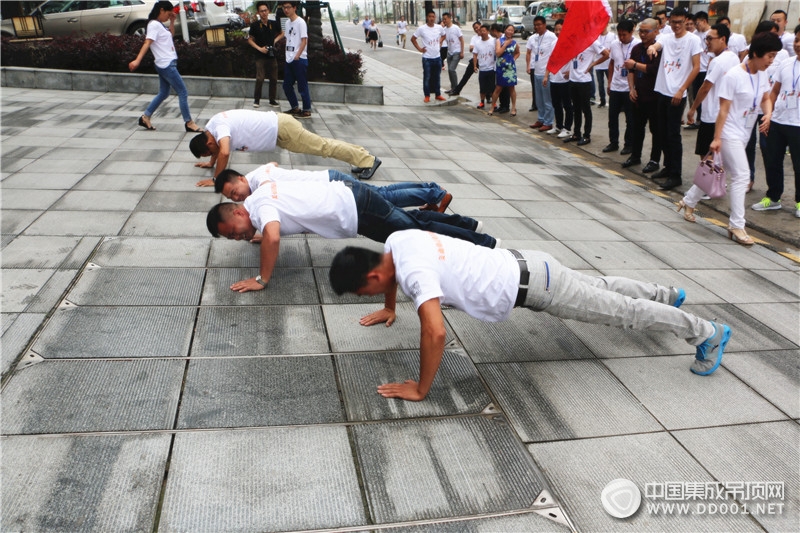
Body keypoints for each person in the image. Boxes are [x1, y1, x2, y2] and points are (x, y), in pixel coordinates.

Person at [329, 230, 732, 401]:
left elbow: (434, 334)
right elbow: (397, 274)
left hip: (538, 287)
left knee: (620, 312)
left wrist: (420, 388)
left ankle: (706, 332)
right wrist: (387, 306)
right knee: (601, 290)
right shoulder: (396, 244)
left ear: (373, 274)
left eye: (364, 289)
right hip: (530, 263)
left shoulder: (414, 275)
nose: (366, 294)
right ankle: (667, 294)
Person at [206, 183, 497, 292]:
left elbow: (272, 237)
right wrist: (262, 235)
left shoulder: (261, 209)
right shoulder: (258, 201)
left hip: (357, 208)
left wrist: (261, 279)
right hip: (353, 204)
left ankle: (485, 246)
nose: (238, 238)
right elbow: (279, 223)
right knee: (416, 222)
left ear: (238, 214)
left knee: (418, 233)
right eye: (232, 239)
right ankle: (471, 226)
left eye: (234, 233)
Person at [677, 32, 781, 246]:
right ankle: (736, 224)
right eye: (769, 56)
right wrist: (716, 138)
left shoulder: (762, 74)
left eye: (774, 56)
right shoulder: (733, 75)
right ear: (756, 53)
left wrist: (768, 114)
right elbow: (723, 110)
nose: (771, 61)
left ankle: (687, 201)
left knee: (716, 170)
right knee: (742, 176)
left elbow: (765, 99)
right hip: (728, 132)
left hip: (744, 132)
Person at [189, 109, 381, 185]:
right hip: (280, 127)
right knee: (323, 144)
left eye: (209, 152)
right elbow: (218, 149)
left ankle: (368, 160)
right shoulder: (211, 128)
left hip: (283, 130)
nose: (213, 154)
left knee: (324, 147)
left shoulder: (219, 128)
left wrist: (216, 179)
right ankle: (363, 156)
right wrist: (211, 162)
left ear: (209, 143)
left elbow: (223, 151)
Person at [215, 163, 453, 213]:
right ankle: (431, 191)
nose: (238, 198)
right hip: (330, 180)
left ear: (241, 178)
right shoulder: (257, 174)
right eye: (232, 198)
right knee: (383, 192)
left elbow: (268, 192)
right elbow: (274, 164)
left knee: (382, 196)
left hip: (333, 184)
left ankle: (436, 194)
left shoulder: (260, 183)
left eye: (235, 191)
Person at [678, 24, 738, 221]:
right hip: (720, 116)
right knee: (712, 163)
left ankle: (691, 199)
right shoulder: (732, 59)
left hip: (714, 116)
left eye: (711, 38)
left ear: (723, 39)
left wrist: (693, 108)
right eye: (707, 38)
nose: (708, 42)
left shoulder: (719, 61)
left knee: (711, 163)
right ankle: (691, 200)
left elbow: (705, 87)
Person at [647, 7, 702, 190]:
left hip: (677, 94)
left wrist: (682, 89)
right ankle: (667, 167)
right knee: (661, 132)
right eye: (673, 22)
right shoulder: (666, 36)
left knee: (673, 135)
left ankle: (675, 175)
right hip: (662, 90)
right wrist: (652, 48)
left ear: (686, 21)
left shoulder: (693, 40)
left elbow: (696, 67)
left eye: (680, 22)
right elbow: (657, 45)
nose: (676, 25)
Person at [128, 1, 201, 133]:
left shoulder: (159, 25)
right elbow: (147, 43)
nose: (169, 16)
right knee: (183, 92)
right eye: (168, 13)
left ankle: (146, 117)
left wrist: (172, 22)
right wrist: (137, 60)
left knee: (164, 93)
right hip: (166, 64)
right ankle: (189, 122)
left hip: (165, 63)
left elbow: (170, 36)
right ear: (161, 10)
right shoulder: (154, 25)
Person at [752, 25, 800, 218]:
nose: (798, 44)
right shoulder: (786, 63)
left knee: (799, 165)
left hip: (798, 124)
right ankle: (773, 198)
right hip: (779, 120)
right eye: (796, 39)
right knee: (772, 160)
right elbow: (774, 91)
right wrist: (768, 114)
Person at [622, 18, 661, 171]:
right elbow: (630, 71)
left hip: (654, 96)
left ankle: (654, 160)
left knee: (656, 130)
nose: (643, 34)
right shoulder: (637, 49)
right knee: (637, 127)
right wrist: (631, 88)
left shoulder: (659, 49)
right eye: (641, 31)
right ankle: (635, 155)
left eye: (647, 31)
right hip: (638, 95)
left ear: (656, 32)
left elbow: (654, 70)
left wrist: (636, 65)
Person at [604, 19, 639, 155]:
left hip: (629, 88)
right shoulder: (614, 44)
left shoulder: (637, 45)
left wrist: (634, 88)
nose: (622, 37)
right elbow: (612, 63)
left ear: (632, 32)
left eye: (624, 34)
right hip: (616, 86)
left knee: (630, 119)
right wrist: (609, 82)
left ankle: (629, 144)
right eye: (619, 34)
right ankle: (613, 142)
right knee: (612, 117)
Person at [565, 37, 609, 145]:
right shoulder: (572, 40)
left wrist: (593, 64)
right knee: (576, 108)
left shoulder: (591, 41)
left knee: (586, 109)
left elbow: (606, 54)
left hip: (584, 80)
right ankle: (576, 133)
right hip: (573, 79)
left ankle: (587, 135)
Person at [278, 1, 311, 118]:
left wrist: (297, 55)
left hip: (299, 59)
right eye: (284, 7)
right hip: (289, 58)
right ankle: (295, 108)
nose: (286, 10)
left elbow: (304, 40)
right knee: (286, 85)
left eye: (288, 7)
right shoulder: (287, 23)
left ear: (294, 8)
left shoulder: (300, 22)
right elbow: (288, 37)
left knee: (302, 86)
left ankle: (306, 110)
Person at [248, 2, 283, 109]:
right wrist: (259, 48)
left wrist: (274, 41)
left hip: (271, 55)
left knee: (274, 78)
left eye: (265, 10)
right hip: (260, 55)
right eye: (261, 11)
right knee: (260, 78)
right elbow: (249, 40)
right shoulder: (255, 25)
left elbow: (282, 33)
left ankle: (272, 100)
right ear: (258, 12)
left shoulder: (274, 23)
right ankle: (256, 100)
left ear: (268, 11)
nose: (264, 13)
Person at [527, 16, 557, 132]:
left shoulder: (551, 37)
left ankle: (548, 122)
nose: (537, 27)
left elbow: (552, 56)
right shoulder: (534, 38)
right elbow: (531, 53)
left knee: (547, 99)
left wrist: (547, 73)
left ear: (544, 24)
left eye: (539, 24)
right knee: (539, 99)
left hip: (546, 73)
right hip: (537, 71)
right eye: (535, 25)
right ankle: (541, 119)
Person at [411, 11, 447, 103]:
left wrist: (440, 41)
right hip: (427, 58)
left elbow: (444, 35)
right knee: (427, 77)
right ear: (427, 17)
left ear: (435, 18)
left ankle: (438, 94)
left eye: (433, 16)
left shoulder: (439, 27)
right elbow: (413, 39)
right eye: (430, 16)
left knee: (437, 77)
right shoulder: (422, 29)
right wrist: (419, 49)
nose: (431, 18)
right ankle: (427, 95)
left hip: (437, 57)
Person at [549, 20, 573, 139]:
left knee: (567, 105)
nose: (558, 32)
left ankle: (567, 128)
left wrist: (571, 71)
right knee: (556, 104)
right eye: (556, 29)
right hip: (554, 78)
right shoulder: (553, 43)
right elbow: (551, 60)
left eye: (560, 29)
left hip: (565, 79)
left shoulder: (570, 42)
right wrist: (546, 75)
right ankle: (558, 125)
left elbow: (576, 59)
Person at [489, 24, 519, 117]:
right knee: (498, 88)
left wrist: (513, 59)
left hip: (510, 68)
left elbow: (517, 52)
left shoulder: (514, 42)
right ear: (505, 30)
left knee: (511, 88)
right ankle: (492, 107)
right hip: (501, 67)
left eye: (512, 30)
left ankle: (513, 108)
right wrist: (505, 44)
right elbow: (498, 53)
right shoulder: (499, 41)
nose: (510, 32)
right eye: (508, 30)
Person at [688, 11, 712, 129]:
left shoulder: (712, 34)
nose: (696, 26)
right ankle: (698, 118)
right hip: (696, 69)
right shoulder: (695, 35)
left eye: (697, 23)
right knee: (696, 94)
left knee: (705, 95)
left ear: (704, 21)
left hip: (707, 70)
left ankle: (704, 119)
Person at [450, 22, 482, 96]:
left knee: (484, 78)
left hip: (484, 60)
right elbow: (471, 48)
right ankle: (457, 90)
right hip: (475, 60)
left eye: (478, 27)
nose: (477, 29)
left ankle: (488, 95)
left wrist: (476, 47)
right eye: (475, 28)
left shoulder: (488, 36)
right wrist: (476, 48)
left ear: (481, 26)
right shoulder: (474, 38)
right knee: (466, 76)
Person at [473, 24, 496, 110]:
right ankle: (482, 102)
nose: (482, 33)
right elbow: (475, 55)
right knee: (482, 87)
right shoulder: (478, 43)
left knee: (492, 88)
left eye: (484, 31)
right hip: (482, 68)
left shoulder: (493, 41)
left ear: (488, 31)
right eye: (480, 31)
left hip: (491, 68)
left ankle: (494, 103)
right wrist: (475, 66)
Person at [442, 13, 464, 94]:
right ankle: (453, 88)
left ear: (450, 18)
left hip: (456, 51)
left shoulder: (456, 28)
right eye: (443, 19)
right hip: (449, 52)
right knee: (449, 71)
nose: (444, 21)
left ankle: (456, 89)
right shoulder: (444, 29)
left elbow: (461, 39)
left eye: (445, 19)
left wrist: (462, 52)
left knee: (452, 69)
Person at [594, 25, 614, 108]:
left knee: (611, 83)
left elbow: (615, 47)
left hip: (608, 63)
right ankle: (602, 101)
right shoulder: (596, 37)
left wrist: (607, 51)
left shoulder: (612, 36)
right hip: (599, 64)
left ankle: (612, 101)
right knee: (600, 84)